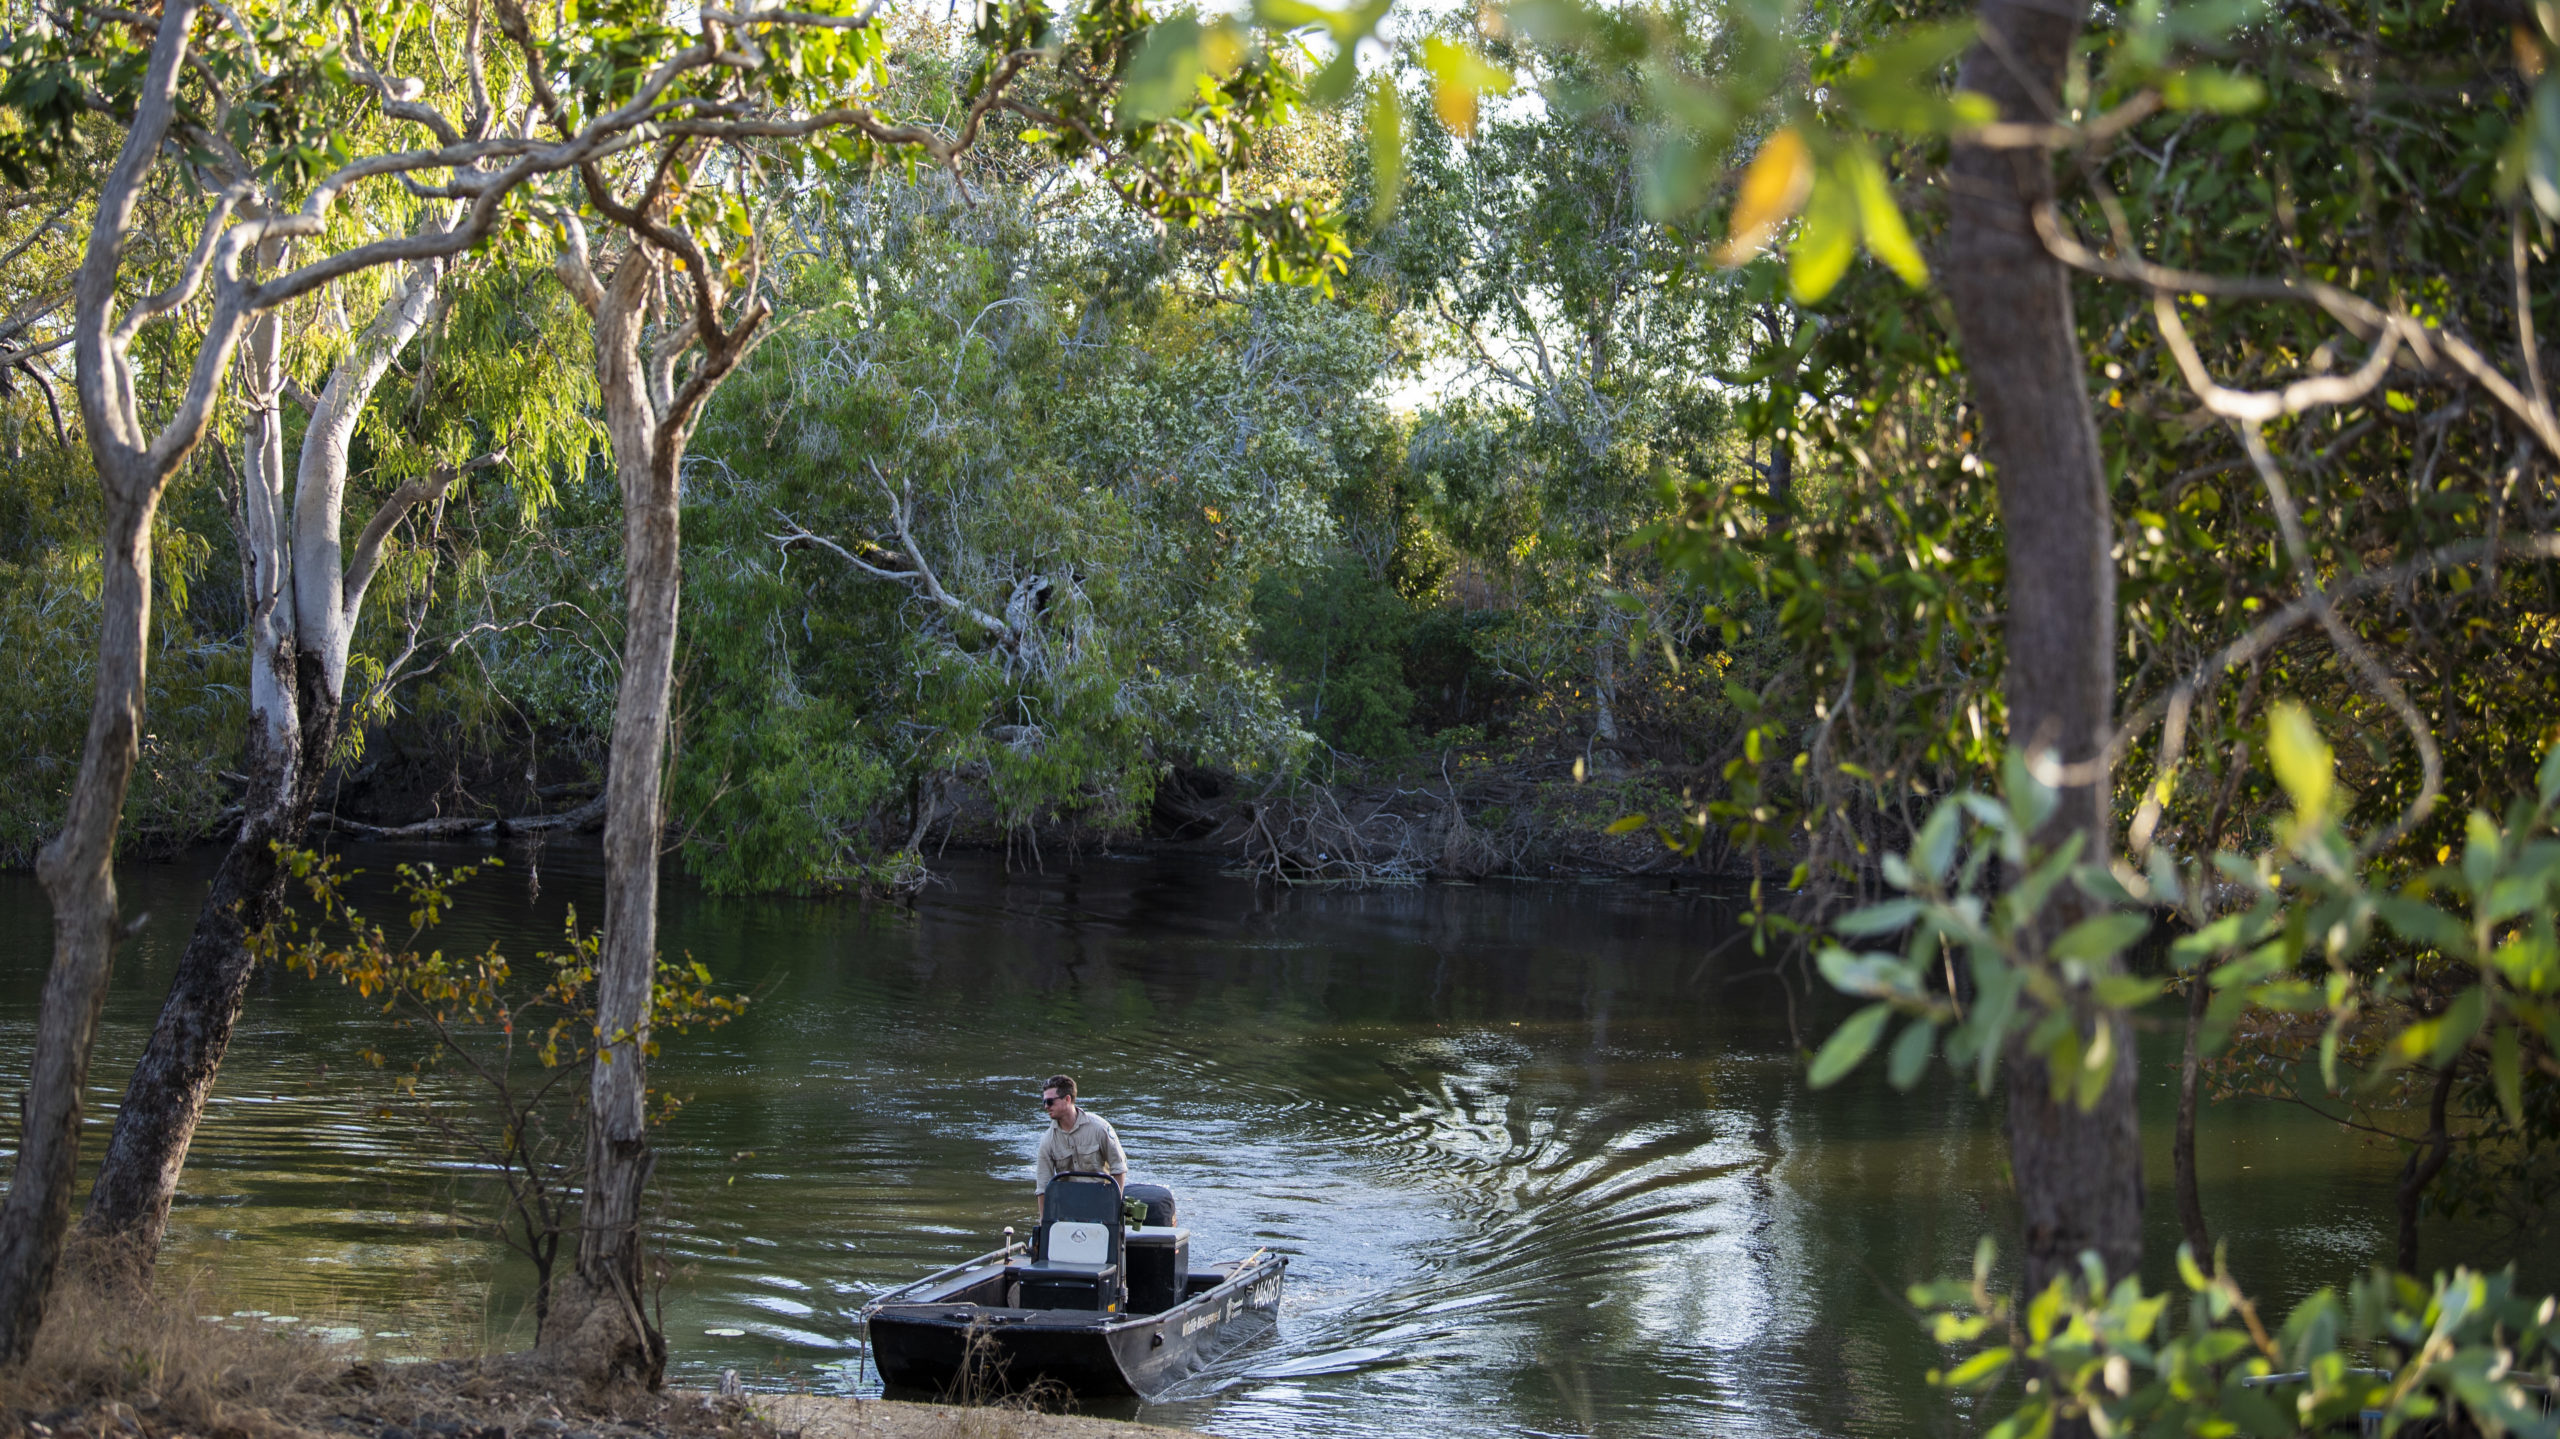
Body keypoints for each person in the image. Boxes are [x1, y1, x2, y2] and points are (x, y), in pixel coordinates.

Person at [1033, 1073, 1126, 1221]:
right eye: (1044, 1102)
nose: (1046, 1107)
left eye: (1050, 1102)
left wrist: (1114, 1211)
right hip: (1067, 1207)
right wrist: (1045, 1224)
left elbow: (1119, 1168)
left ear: (1067, 1099)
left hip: (1101, 1202)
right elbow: (1043, 1188)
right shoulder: (1047, 1140)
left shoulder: (1099, 1128)